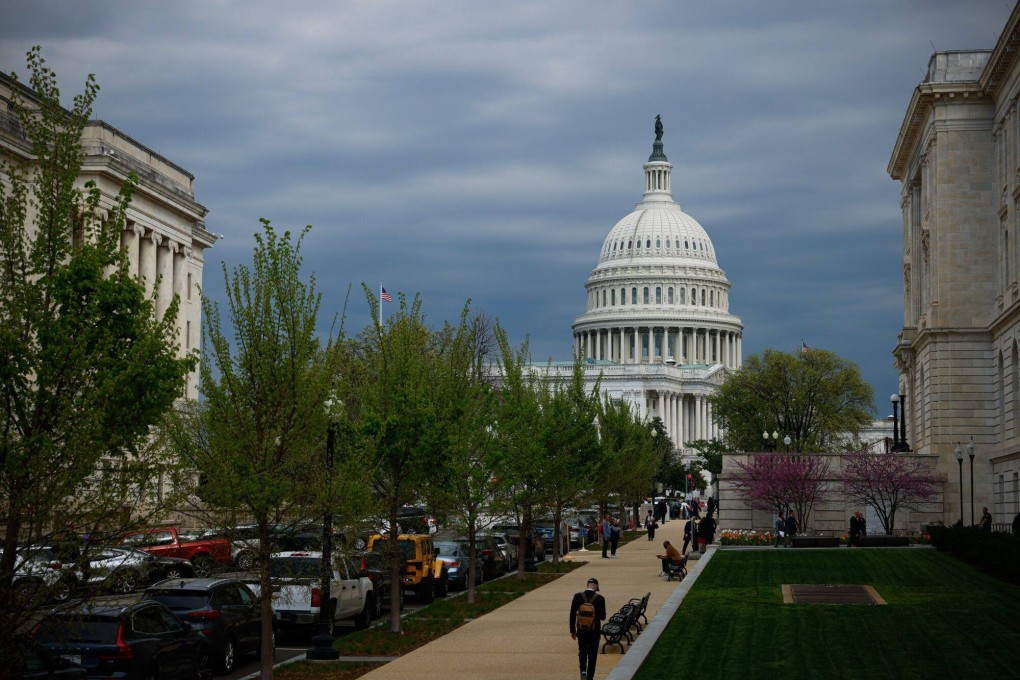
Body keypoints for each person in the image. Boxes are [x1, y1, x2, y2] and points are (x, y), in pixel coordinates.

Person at [569, 577, 607, 680]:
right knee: (592, 654)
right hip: (594, 631)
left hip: (581, 630)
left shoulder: (577, 597)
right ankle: (590, 676)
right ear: (596, 587)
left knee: (582, 651)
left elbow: (572, 614)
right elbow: (603, 617)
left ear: (587, 585)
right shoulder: (600, 599)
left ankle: (583, 671)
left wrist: (572, 630)